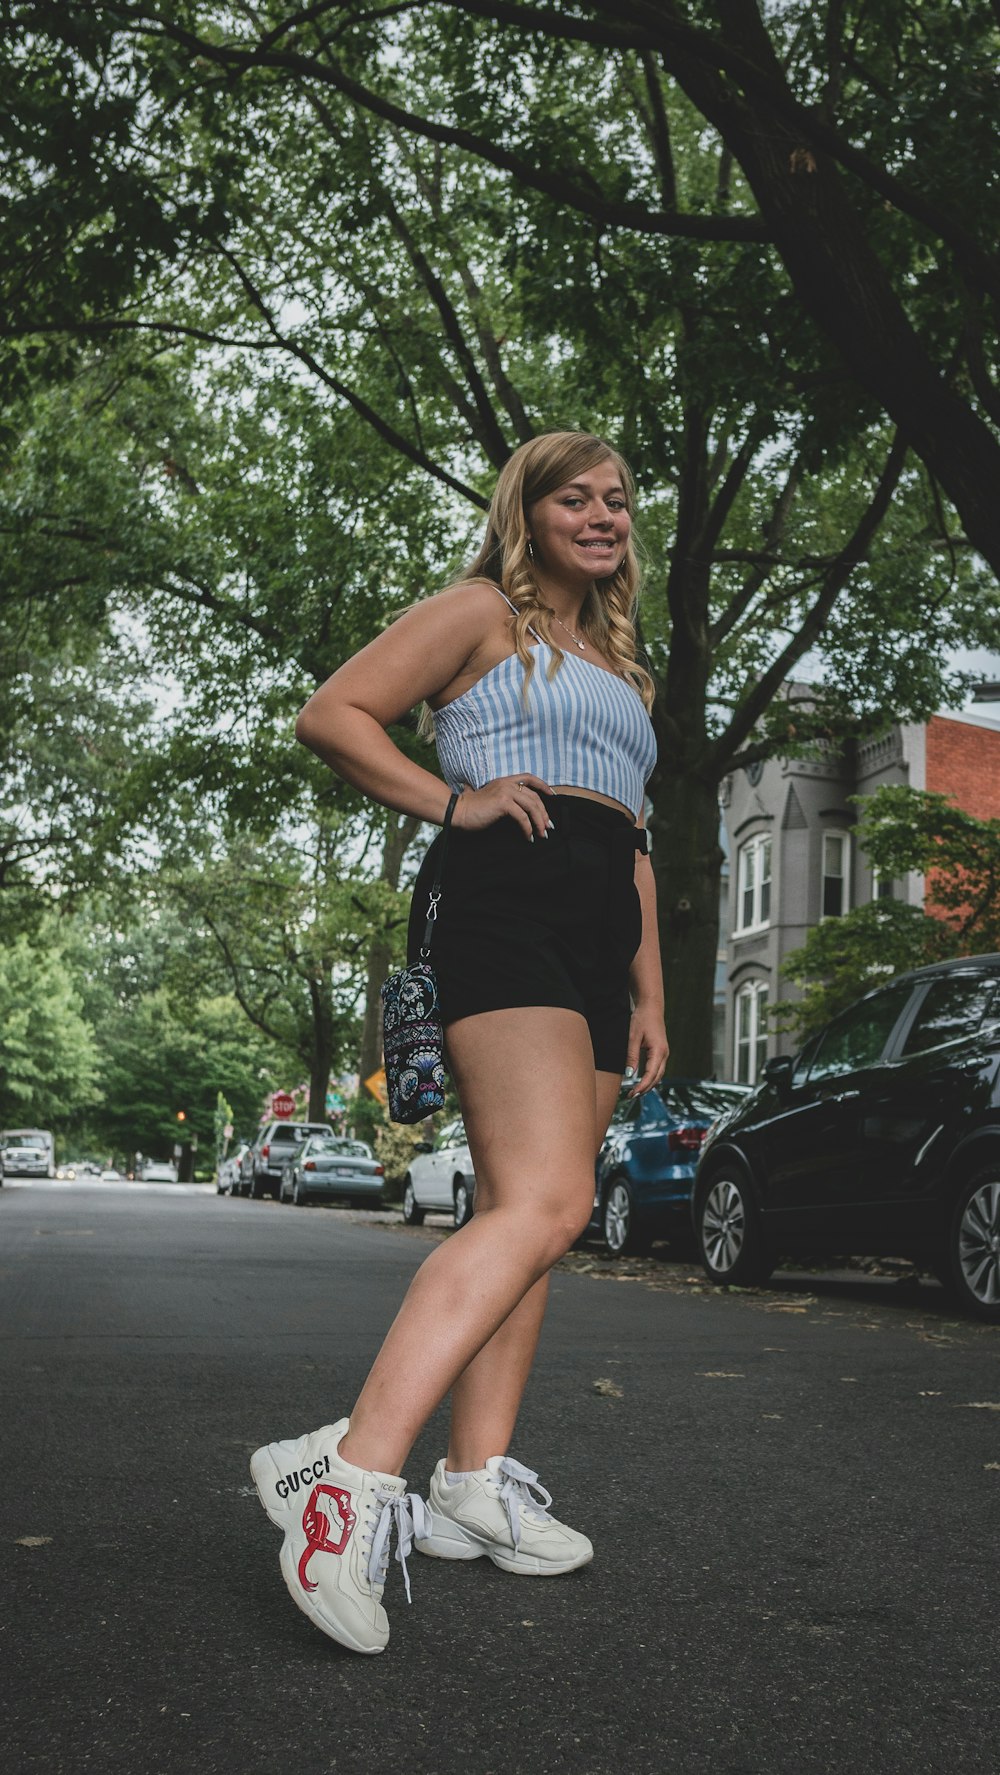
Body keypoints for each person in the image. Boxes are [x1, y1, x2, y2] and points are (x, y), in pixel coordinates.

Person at [250, 430, 668, 1655]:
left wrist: (647, 988)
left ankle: (472, 1481)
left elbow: (635, 838)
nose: (603, 516)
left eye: (619, 502)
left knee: (529, 1206)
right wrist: (454, 802)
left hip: (598, 929)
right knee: (542, 1201)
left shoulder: (624, 665)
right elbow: (331, 713)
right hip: (505, 899)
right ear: (527, 512)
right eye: (576, 498)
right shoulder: (482, 610)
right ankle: (345, 1481)